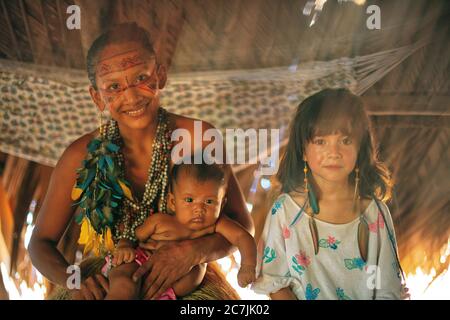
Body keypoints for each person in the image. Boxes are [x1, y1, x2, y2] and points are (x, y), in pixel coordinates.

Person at [28, 22, 253, 300]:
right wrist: (75, 282)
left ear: (160, 76)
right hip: (114, 277)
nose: (132, 96)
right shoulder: (80, 154)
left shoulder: (198, 138)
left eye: (140, 78)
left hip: (184, 277)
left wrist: (194, 251)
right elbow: (40, 243)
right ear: (97, 97)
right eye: (114, 86)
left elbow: (244, 226)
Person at [251, 88, 405, 300]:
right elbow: (275, 282)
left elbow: (388, 290)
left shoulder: (375, 214)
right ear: (303, 150)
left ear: (360, 149)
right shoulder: (286, 212)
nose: (334, 153)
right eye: (321, 141)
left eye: (345, 141)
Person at [107, 161, 257, 299]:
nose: (199, 209)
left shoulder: (217, 223)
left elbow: (242, 237)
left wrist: (248, 266)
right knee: (124, 286)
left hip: (171, 290)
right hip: (140, 266)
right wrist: (124, 247)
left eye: (209, 201)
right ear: (172, 202)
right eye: (189, 200)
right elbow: (133, 237)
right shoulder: (160, 222)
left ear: (222, 203)